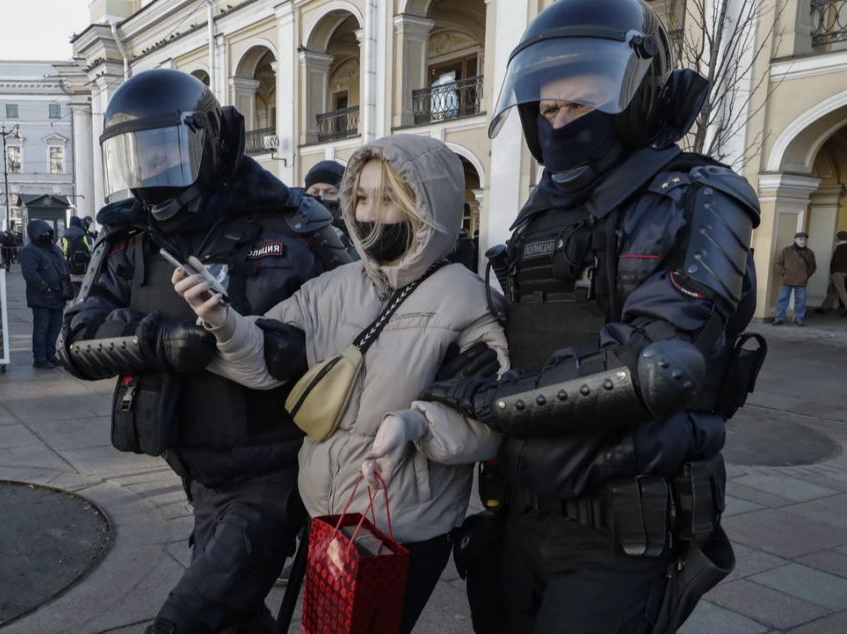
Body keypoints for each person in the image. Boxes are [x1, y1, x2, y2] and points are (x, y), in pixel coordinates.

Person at [421, 0, 764, 632]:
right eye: (547, 108)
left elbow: (661, 367)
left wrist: (497, 401)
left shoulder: (702, 196)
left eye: (579, 102)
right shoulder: (542, 210)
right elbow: (529, 327)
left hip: (619, 522)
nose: (559, 122)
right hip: (520, 508)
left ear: (634, 95)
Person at [56, 69, 352, 634]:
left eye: (162, 152)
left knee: (186, 622)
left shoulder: (297, 221)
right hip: (196, 470)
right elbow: (72, 343)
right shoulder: (129, 239)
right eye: (134, 157)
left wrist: (269, 343)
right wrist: (158, 341)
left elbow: (358, 330)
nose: (149, 173)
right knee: (235, 616)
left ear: (207, 144)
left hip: (277, 469)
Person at [173, 134, 508, 633]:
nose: (372, 213)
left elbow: (486, 418)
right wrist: (222, 320)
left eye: (391, 198)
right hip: (328, 519)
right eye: (363, 197)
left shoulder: (467, 299)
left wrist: (415, 424)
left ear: (428, 205)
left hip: (404, 530)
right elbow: (266, 355)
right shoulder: (331, 288)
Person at [20, 220, 68, 369]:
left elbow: (63, 267)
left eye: (48, 232)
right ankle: (40, 357)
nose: (46, 235)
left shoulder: (54, 249)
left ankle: (50, 353)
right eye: (43, 232)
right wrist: (44, 287)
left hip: (58, 295)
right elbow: (29, 273)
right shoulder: (30, 250)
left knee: (55, 327)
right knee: (42, 328)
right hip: (42, 296)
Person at [774, 231, 816, 326]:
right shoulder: (786, 250)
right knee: (783, 299)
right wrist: (784, 272)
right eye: (801, 239)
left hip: (801, 281)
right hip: (786, 280)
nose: (803, 241)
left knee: (801, 301)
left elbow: (813, 267)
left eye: (805, 239)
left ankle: (799, 318)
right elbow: (778, 263)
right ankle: (779, 318)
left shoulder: (809, 253)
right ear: (795, 240)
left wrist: (806, 275)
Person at [814, 230, 847, 316]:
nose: (836, 238)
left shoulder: (840, 247)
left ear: (840, 238)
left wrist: (833, 270)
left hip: (838, 272)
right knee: (833, 291)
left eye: (837, 237)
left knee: (841, 291)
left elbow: (837, 261)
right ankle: (824, 307)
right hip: (843, 272)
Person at [60, 216, 93, 296]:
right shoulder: (86, 237)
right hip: (86, 273)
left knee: (73, 297)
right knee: (85, 296)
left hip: (71, 273)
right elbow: (92, 251)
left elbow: (61, 254)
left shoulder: (63, 238)